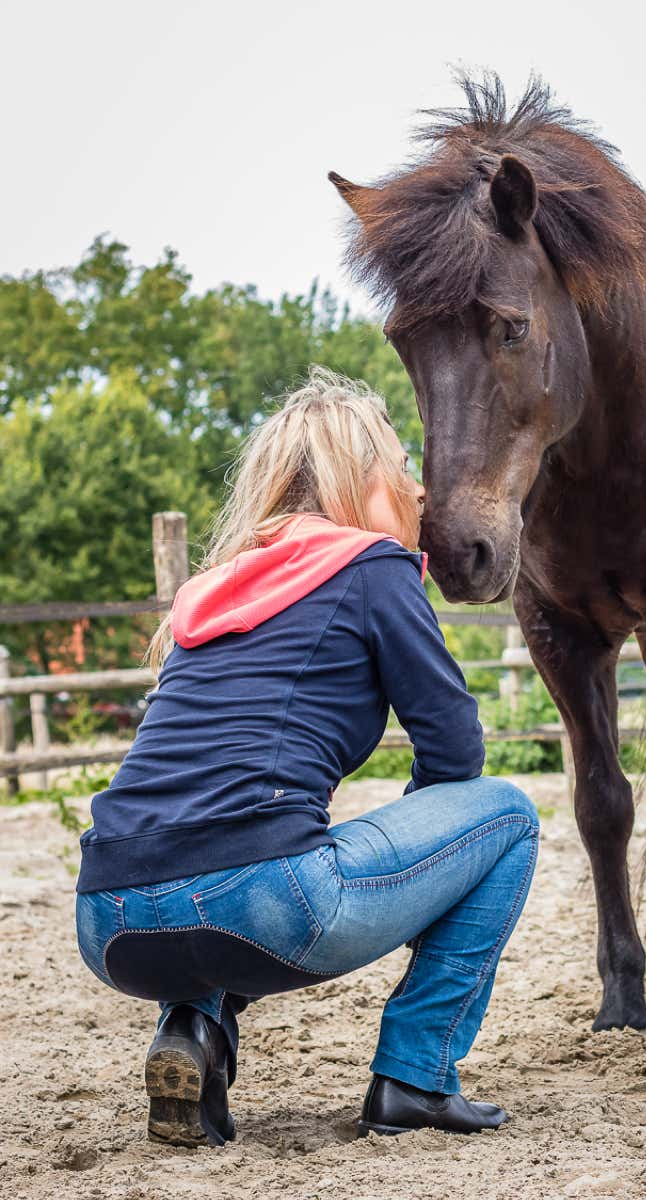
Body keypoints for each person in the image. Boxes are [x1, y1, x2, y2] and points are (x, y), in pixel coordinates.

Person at [75, 367, 539, 1148]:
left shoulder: (217, 587)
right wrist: (421, 869)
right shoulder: (372, 568)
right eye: (402, 466)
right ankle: (415, 1078)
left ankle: (196, 1034)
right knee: (509, 818)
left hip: (109, 920)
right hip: (263, 901)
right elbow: (456, 746)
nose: (421, 493)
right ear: (360, 479)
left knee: (224, 850)